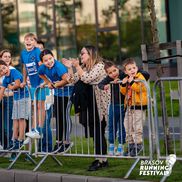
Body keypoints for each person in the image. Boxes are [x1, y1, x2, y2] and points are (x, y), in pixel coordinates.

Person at [63, 45, 110, 171]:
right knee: (95, 132)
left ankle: (100, 160)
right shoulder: (84, 67)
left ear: (91, 54)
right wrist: (70, 68)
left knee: (98, 130)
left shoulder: (100, 66)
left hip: (98, 102)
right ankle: (102, 159)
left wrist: (77, 66)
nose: (80, 55)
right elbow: (72, 80)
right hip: (88, 102)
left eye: (83, 53)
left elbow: (87, 78)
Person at [38, 49, 73, 154]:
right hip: (58, 94)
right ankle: (58, 143)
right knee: (58, 117)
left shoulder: (58, 66)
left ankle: (66, 142)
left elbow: (66, 80)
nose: (49, 61)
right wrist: (48, 82)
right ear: (42, 62)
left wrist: (56, 85)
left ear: (53, 57)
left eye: (50, 58)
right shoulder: (42, 67)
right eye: (46, 60)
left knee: (65, 117)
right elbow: (40, 74)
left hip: (67, 94)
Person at [120, 58, 148, 157]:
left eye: (134, 68)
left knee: (137, 126)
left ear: (137, 68)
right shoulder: (128, 78)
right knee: (127, 126)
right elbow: (123, 92)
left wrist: (132, 82)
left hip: (138, 106)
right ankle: (131, 145)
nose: (132, 70)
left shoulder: (140, 77)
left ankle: (138, 145)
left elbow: (139, 88)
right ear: (125, 71)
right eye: (129, 69)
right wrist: (123, 84)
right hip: (129, 106)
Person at [20, 32, 45, 139]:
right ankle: (33, 130)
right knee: (34, 108)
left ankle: (39, 129)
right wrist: (24, 80)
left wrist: (45, 80)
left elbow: (42, 65)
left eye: (31, 39)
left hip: (41, 83)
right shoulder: (23, 53)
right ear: (24, 42)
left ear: (35, 42)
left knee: (40, 106)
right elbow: (25, 67)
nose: (29, 41)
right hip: (32, 84)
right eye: (27, 39)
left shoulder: (37, 51)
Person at [0, 60, 30, 151]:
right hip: (16, 99)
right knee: (15, 119)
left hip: (24, 97)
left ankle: (20, 139)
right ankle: (14, 139)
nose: (3, 71)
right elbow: (1, 91)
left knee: (21, 118)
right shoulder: (5, 79)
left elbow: (17, 84)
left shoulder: (14, 72)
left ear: (7, 66)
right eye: (1, 71)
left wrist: (11, 87)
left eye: (4, 68)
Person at [98, 61, 126, 156]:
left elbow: (133, 74)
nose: (113, 73)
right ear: (107, 74)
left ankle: (121, 146)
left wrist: (123, 80)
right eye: (110, 72)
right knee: (111, 125)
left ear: (117, 68)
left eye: (114, 70)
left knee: (122, 126)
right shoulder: (109, 78)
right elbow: (100, 85)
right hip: (113, 105)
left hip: (124, 105)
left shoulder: (123, 74)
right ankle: (111, 145)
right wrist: (105, 86)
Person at [0, 49, 14, 149]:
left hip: (9, 100)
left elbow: (15, 88)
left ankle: (10, 146)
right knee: (1, 126)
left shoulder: (12, 70)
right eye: (5, 56)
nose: (7, 58)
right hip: (1, 100)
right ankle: (4, 146)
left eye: (9, 57)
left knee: (8, 126)